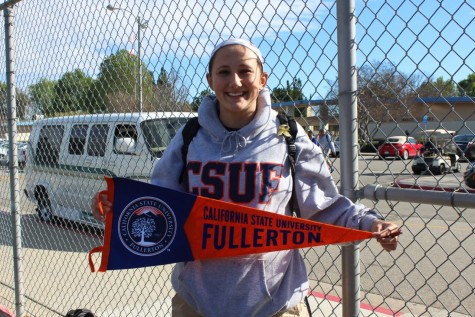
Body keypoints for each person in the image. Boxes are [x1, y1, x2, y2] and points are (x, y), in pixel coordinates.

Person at [92, 38, 399, 317]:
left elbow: (323, 205)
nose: (234, 81)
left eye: (245, 71)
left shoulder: (288, 135)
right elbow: (159, 204)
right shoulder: (189, 138)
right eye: (224, 72)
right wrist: (117, 208)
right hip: (196, 301)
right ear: (210, 80)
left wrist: (370, 222)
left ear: (262, 79)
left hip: (274, 301)